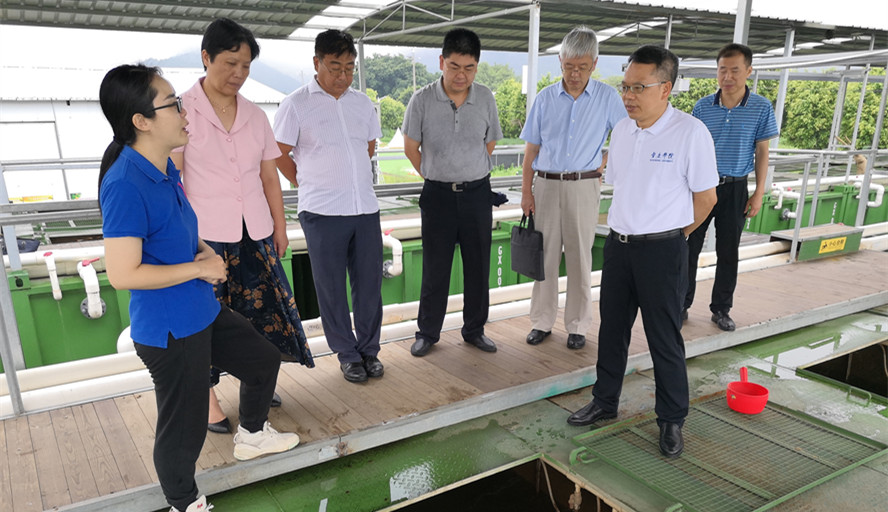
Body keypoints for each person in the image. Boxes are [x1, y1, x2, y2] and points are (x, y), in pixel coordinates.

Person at [98, 64, 300, 512]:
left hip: (200, 310)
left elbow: (183, 230)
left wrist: (206, 255)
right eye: (173, 105)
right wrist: (198, 268)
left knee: (263, 359)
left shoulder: (163, 169)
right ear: (141, 121)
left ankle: (252, 435)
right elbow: (123, 274)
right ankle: (184, 503)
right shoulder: (126, 184)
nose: (185, 111)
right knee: (183, 428)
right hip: (170, 328)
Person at [566, 46, 718, 459]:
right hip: (619, 247)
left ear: (665, 88)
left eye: (639, 87)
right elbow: (622, 186)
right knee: (612, 330)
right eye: (625, 86)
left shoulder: (690, 133)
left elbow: (706, 199)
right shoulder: (622, 130)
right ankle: (604, 401)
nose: (628, 96)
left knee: (663, 337)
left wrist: (673, 236)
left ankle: (671, 418)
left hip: (663, 251)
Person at [170, 18, 314, 435]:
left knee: (261, 313)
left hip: (255, 231)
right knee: (207, 317)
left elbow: (269, 177)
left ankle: (258, 378)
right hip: (206, 237)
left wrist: (280, 229)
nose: (238, 73)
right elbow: (174, 180)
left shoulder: (254, 114)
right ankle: (207, 400)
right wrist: (181, 240)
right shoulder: (180, 112)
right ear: (206, 57)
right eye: (230, 63)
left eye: (246, 66)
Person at [273, 29, 384, 383]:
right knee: (332, 288)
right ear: (317, 63)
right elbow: (278, 152)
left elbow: (368, 147)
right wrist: (303, 180)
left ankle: (369, 350)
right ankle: (347, 354)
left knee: (369, 286)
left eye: (349, 68)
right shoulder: (296, 104)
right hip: (321, 211)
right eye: (335, 67)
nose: (343, 76)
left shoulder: (363, 104)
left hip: (364, 208)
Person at [519, 26, 626, 350]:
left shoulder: (608, 98)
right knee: (546, 257)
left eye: (582, 67)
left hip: (584, 185)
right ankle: (542, 321)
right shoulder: (545, 98)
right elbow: (531, 149)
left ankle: (578, 325)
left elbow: (627, 137)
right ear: (560, 62)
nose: (575, 74)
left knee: (580, 257)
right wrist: (526, 192)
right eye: (569, 66)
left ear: (594, 64)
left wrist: (604, 161)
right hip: (547, 185)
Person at [402, 28, 503, 357]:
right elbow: (411, 148)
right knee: (435, 268)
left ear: (477, 66)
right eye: (454, 66)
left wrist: (466, 171)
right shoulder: (421, 100)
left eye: (469, 68)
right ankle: (428, 333)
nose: (462, 75)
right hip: (438, 197)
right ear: (441, 62)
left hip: (477, 194)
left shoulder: (485, 98)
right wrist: (437, 175)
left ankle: (474, 330)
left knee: (478, 268)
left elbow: (489, 143)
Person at [684, 43, 779, 331]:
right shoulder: (702, 106)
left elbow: (762, 152)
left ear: (748, 71)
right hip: (701, 187)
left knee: (728, 251)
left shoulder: (761, 107)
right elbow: (691, 150)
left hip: (736, 187)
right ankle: (681, 305)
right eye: (722, 70)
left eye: (735, 70)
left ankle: (721, 309)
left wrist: (759, 193)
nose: (727, 77)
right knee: (688, 247)